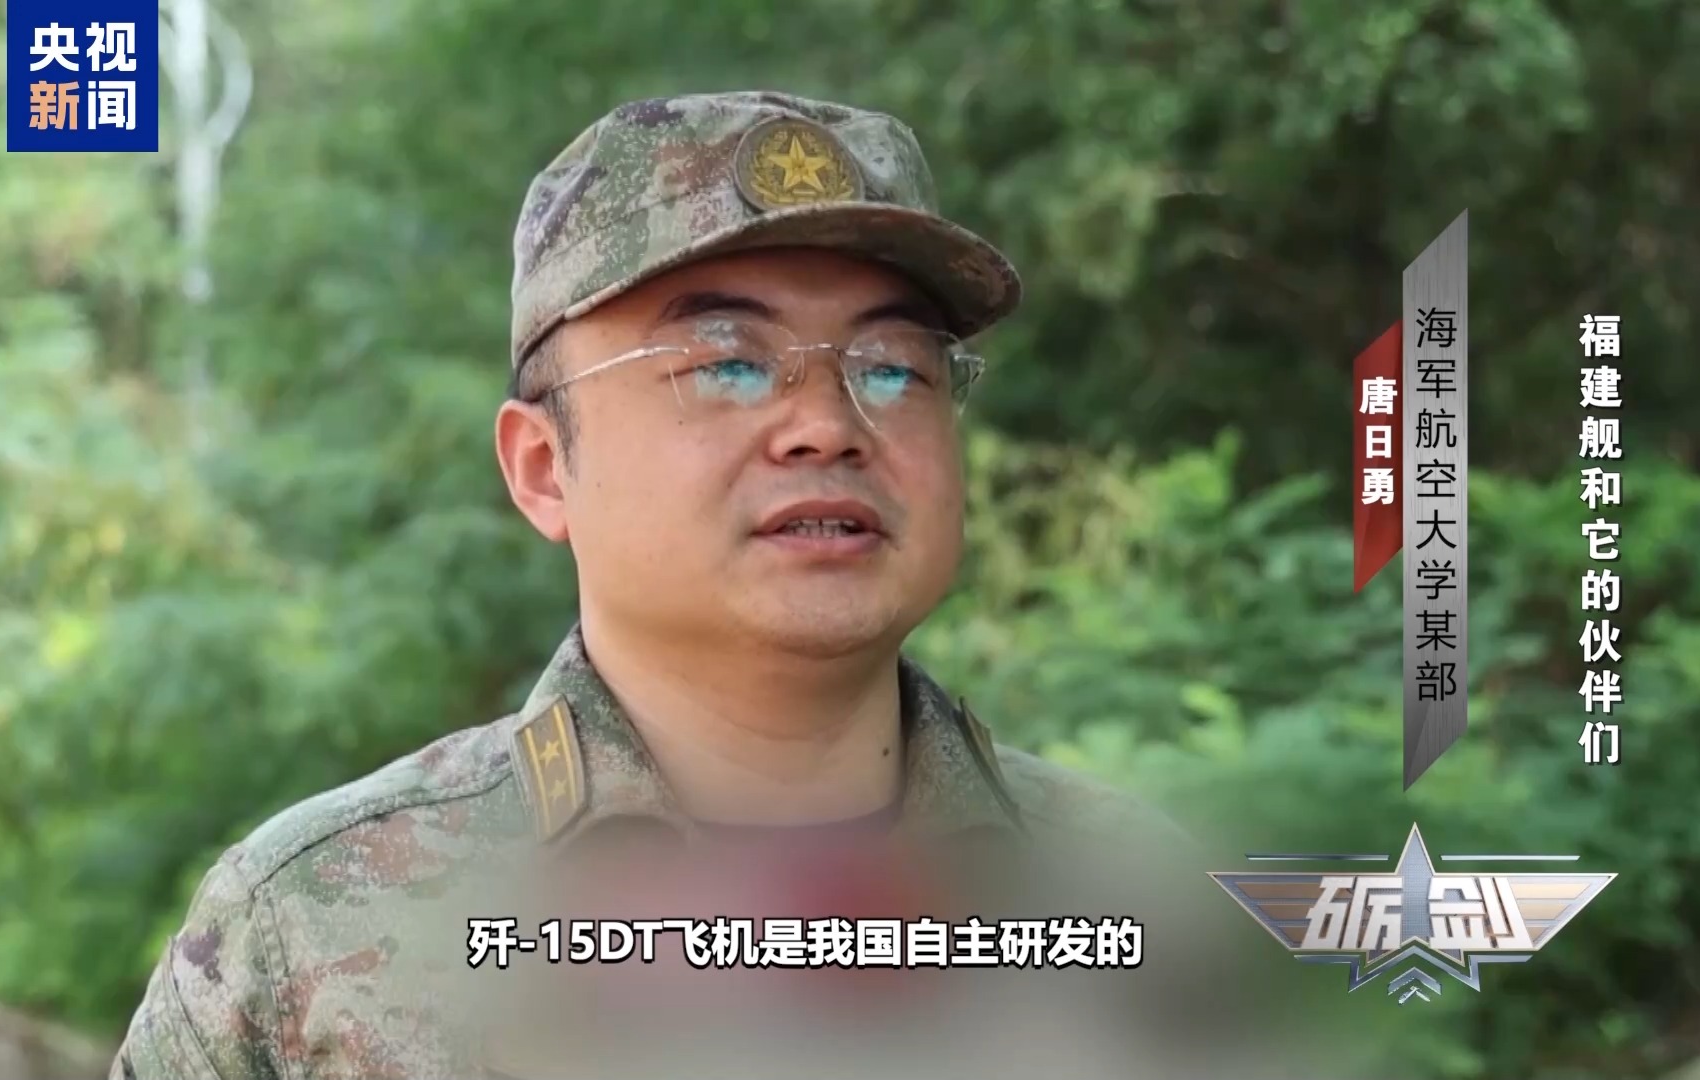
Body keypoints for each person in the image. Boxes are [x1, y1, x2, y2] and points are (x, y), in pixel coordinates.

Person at [109, 90, 1318, 1080]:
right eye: (728, 363)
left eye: (893, 368)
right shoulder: (312, 926)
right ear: (543, 469)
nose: (826, 424)